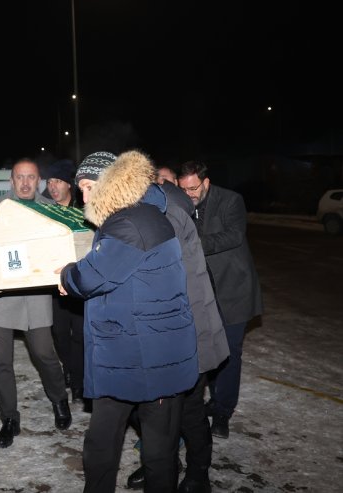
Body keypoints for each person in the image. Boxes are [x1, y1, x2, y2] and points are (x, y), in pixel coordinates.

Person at [60, 150, 199, 493]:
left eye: (90, 187)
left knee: (149, 451)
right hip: (137, 351)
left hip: (145, 356)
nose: (85, 197)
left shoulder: (128, 222)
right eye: (81, 189)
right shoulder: (143, 213)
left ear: (112, 182)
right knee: (131, 445)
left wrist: (66, 275)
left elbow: (90, 278)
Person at [125, 166, 230, 493]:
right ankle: (163, 462)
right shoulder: (149, 209)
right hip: (162, 333)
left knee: (187, 410)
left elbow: (166, 281)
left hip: (187, 332)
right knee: (143, 408)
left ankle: (198, 472)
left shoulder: (165, 215)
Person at [0, 158, 72, 449]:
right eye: (19, 177)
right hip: (0, 297)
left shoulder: (50, 211)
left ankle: (59, 399)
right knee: (1, 363)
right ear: (11, 180)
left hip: (35, 296)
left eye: (31, 177)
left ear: (39, 181)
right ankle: (9, 418)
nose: (24, 183)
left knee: (45, 355)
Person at [178, 160, 263, 439]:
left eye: (193, 188)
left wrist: (193, 244)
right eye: (184, 188)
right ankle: (211, 401)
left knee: (230, 353)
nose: (189, 194)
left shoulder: (230, 200)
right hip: (202, 291)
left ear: (206, 183)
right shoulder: (182, 203)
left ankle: (223, 411)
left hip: (233, 289)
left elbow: (234, 235)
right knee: (206, 348)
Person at [44, 159, 86, 407]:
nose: (53, 186)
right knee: (59, 334)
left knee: (80, 335)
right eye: (49, 182)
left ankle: (79, 382)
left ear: (69, 184)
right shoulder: (45, 211)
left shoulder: (83, 210)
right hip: (53, 284)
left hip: (79, 282)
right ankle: (70, 369)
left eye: (58, 181)